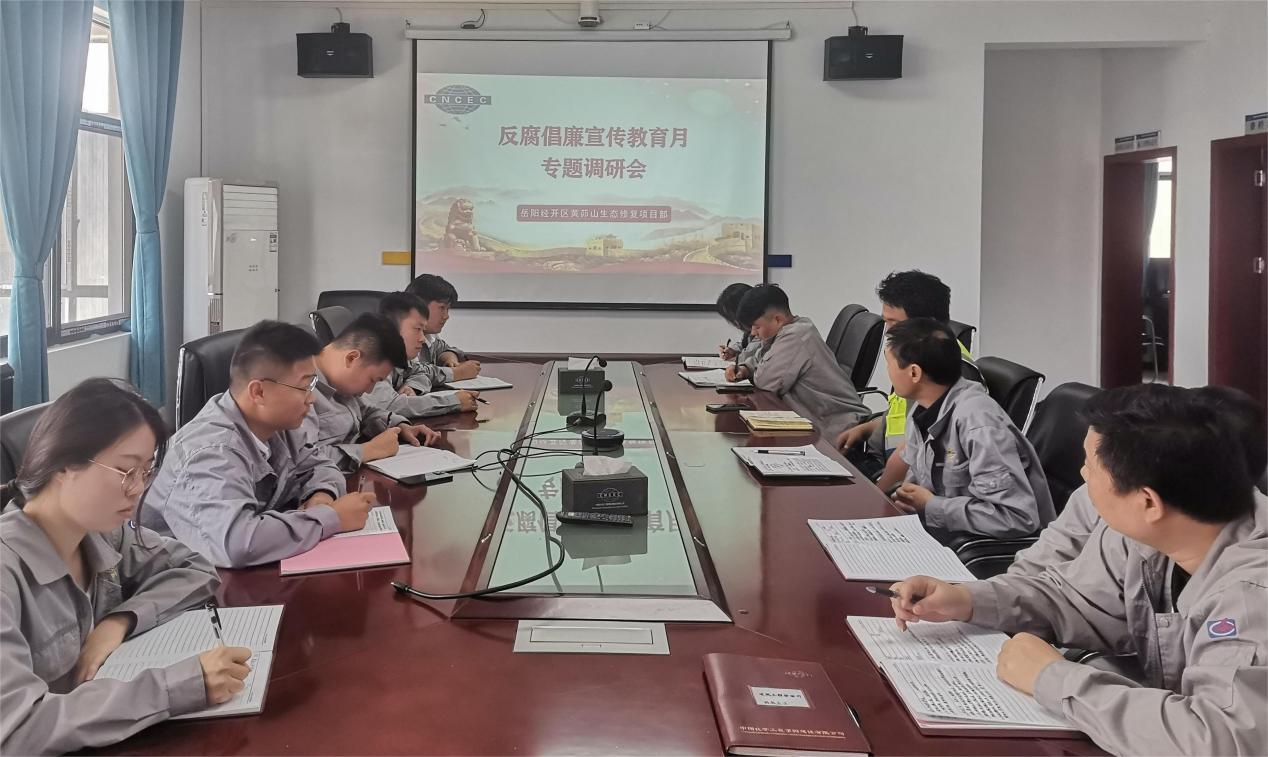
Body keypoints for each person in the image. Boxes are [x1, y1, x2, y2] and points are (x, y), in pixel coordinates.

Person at [887, 384, 1267, 756]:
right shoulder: (1151, 536)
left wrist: (1053, 679)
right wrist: (967, 599)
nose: (1083, 475)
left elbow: (1221, 740)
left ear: (1148, 502)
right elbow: (1073, 599)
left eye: (1091, 466)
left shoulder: (1252, 596)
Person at [1, 379, 251, 753]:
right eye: (126, 471)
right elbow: (18, 728)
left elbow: (194, 567)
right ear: (64, 463)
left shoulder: (102, 533)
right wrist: (177, 687)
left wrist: (118, 622)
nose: (137, 490)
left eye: (146, 472)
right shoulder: (7, 573)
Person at [144, 321, 374, 568]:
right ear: (258, 392)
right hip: (178, 578)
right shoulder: (211, 452)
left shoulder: (279, 426)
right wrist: (331, 518)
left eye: (312, 385)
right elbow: (239, 543)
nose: (311, 399)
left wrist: (321, 495)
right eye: (304, 387)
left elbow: (320, 465)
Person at [877, 318, 1054, 539]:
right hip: (938, 532)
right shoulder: (923, 410)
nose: (888, 372)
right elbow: (918, 478)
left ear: (914, 373)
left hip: (978, 547)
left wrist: (931, 505)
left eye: (889, 364)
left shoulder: (979, 424)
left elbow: (1017, 517)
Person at [837, 270, 981, 477]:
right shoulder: (913, 355)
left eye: (895, 323)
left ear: (927, 322)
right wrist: (866, 429)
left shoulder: (949, 370)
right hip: (880, 459)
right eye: (885, 321)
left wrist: (886, 485)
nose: (887, 332)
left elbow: (934, 449)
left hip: (899, 475)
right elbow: (903, 416)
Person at [724, 284, 868, 442]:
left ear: (778, 319)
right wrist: (745, 368)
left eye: (756, 327)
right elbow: (761, 358)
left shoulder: (795, 336)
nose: (753, 333)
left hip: (838, 429)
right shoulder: (790, 329)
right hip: (816, 422)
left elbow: (765, 381)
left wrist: (752, 369)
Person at [312, 312, 440, 473]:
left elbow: (365, 411)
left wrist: (399, 426)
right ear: (352, 358)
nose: (369, 390)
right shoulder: (299, 389)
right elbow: (300, 461)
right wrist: (368, 450)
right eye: (373, 380)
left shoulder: (341, 383)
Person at [362, 292, 480, 419]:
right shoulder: (373, 358)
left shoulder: (398, 356)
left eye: (423, 331)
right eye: (417, 329)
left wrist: (413, 386)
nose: (423, 339)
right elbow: (390, 406)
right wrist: (453, 401)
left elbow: (421, 372)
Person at [405, 273, 480, 381]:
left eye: (448, 309)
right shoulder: (401, 337)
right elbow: (414, 373)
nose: (446, 316)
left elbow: (445, 349)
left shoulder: (429, 335)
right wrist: (458, 373)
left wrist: (449, 357)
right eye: (442, 308)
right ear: (419, 306)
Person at [715, 283, 761, 363]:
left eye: (733, 318)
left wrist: (736, 358)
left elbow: (748, 356)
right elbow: (745, 345)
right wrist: (732, 351)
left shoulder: (764, 330)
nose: (735, 324)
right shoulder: (750, 332)